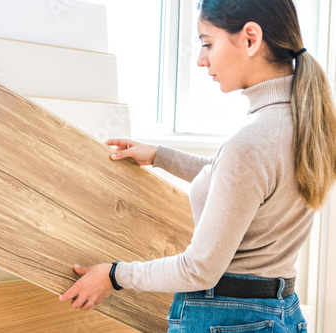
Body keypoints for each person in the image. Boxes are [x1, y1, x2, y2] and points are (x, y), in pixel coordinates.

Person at [59, 0, 336, 331]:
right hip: (278, 312)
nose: (202, 59)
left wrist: (115, 275)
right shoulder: (303, 124)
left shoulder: (251, 143)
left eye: (207, 43)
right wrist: (161, 156)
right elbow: (244, 185)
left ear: (250, 38)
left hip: (226, 317)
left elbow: (199, 269)